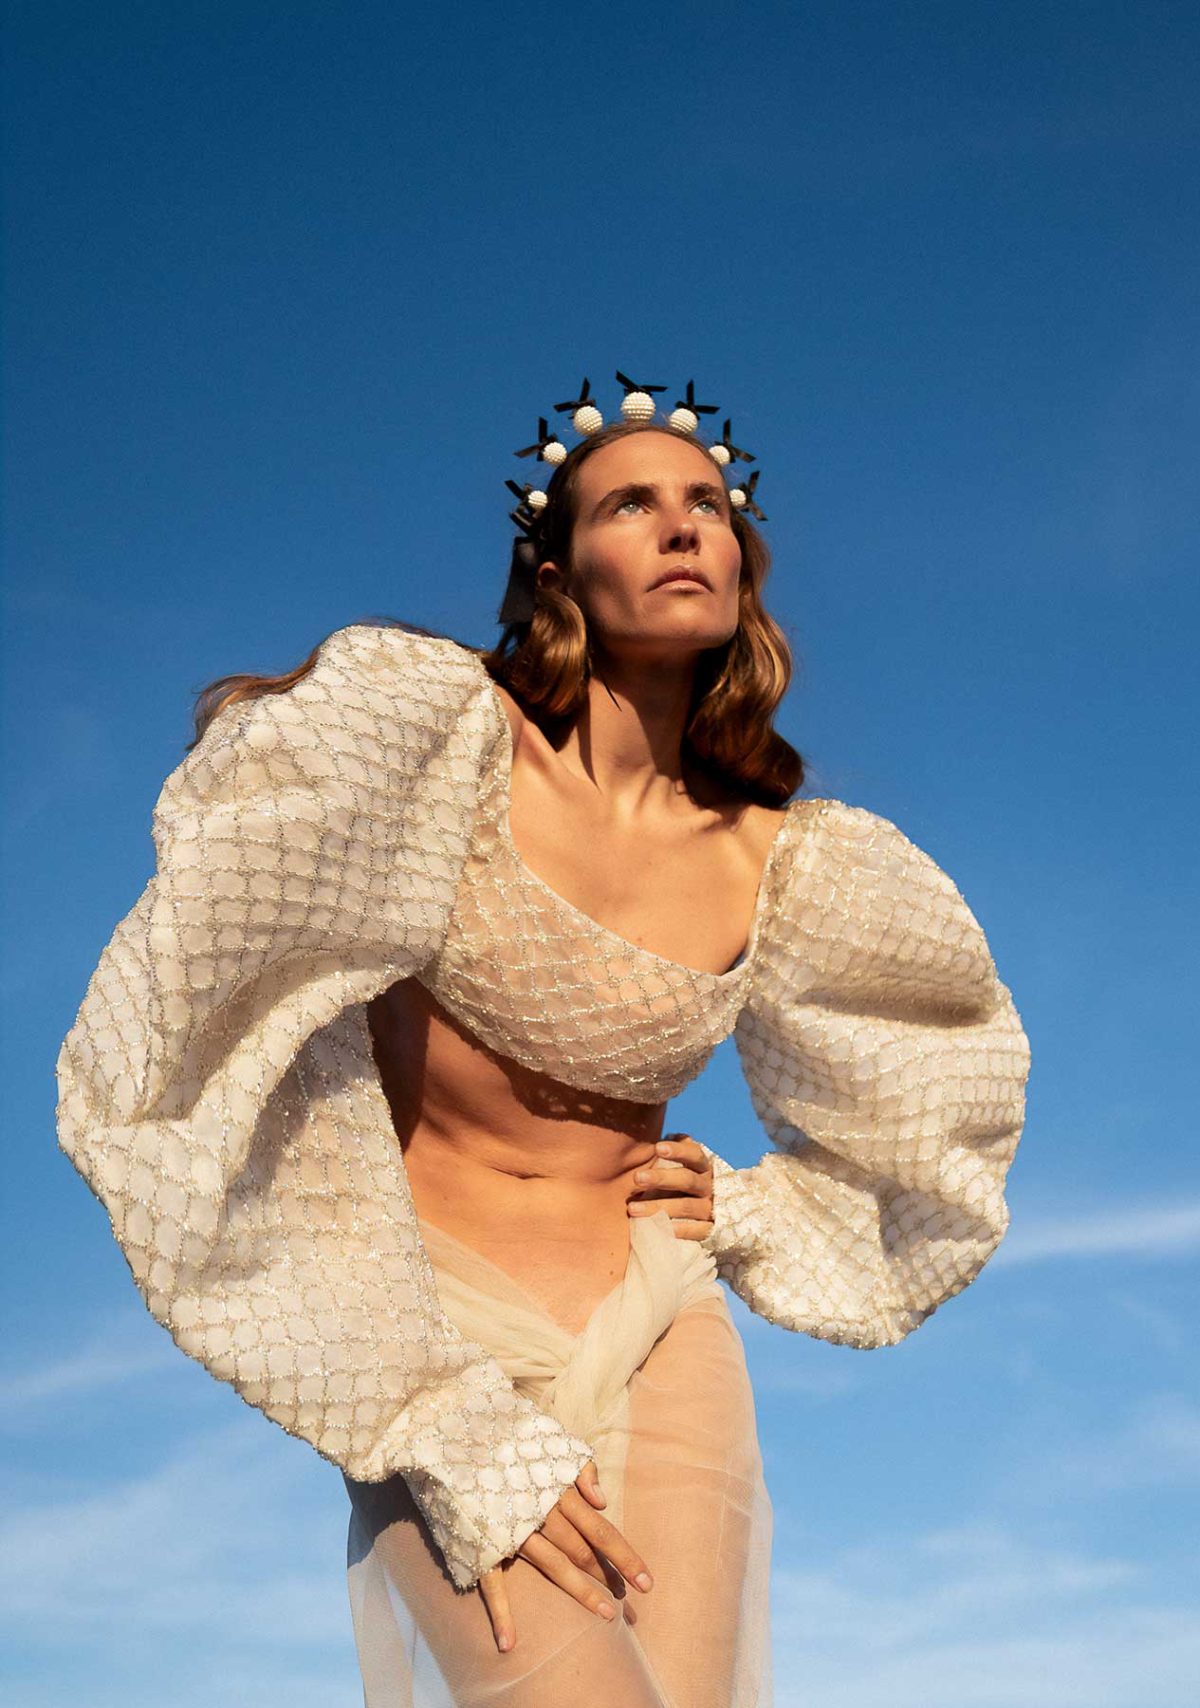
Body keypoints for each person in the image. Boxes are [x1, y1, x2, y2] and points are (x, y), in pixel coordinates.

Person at [54, 378, 1033, 1707]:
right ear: (559, 566)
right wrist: (417, 1408)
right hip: (433, 1336)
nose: (683, 527)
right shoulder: (433, 739)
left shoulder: (785, 858)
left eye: (709, 506)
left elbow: (926, 1122)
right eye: (632, 503)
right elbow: (189, 1025)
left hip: (657, 1319)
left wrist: (747, 1209)